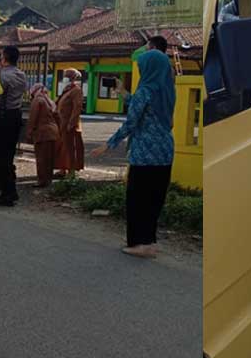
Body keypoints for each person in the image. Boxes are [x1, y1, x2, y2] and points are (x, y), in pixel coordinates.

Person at [91, 50, 176, 259]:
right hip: (165, 152)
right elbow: (146, 110)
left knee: (138, 199)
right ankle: (150, 241)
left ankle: (140, 244)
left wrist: (108, 144)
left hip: (145, 154)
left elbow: (131, 122)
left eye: (141, 67)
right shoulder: (167, 91)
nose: (139, 70)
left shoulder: (145, 90)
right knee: (154, 199)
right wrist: (124, 93)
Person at [0, 46, 27, 206]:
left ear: (4, 58)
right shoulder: (21, 75)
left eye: (0, 57)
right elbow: (4, 70)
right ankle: (11, 189)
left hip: (2, 118)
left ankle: (7, 192)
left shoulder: (1, 78)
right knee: (8, 155)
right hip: (15, 117)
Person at [26, 83, 59, 188]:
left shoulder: (37, 100)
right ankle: (48, 180)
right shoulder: (49, 100)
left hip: (42, 133)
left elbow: (33, 118)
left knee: (42, 158)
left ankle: (42, 180)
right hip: (52, 131)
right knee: (49, 158)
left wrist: (29, 131)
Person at [55, 68, 85, 178]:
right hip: (62, 123)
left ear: (73, 77)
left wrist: (71, 123)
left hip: (70, 124)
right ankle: (63, 169)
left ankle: (71, 171)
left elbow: (77, 108)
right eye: (64, 75)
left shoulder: (76, 90)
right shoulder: (67, 89)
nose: (64, 77)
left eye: (67, 75)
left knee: (70, 147)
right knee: (62, 147)